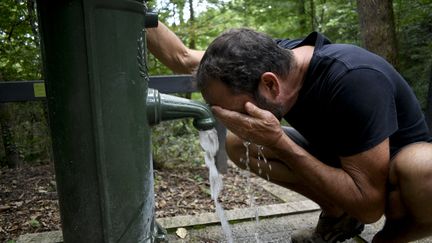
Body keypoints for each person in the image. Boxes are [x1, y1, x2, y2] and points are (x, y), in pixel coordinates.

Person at [147, 21, 432, 242]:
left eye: (239, 111)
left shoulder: (353, 78)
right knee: (238, 144)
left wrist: (280, 142)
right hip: (342, 157)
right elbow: (183, 58)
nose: (233, 118)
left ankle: (390, 238)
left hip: (397, 175)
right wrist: (132, 9)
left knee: (423, 172)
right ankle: (337, 213)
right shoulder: (264, 61)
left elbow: (369, 208)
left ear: (270, 86)